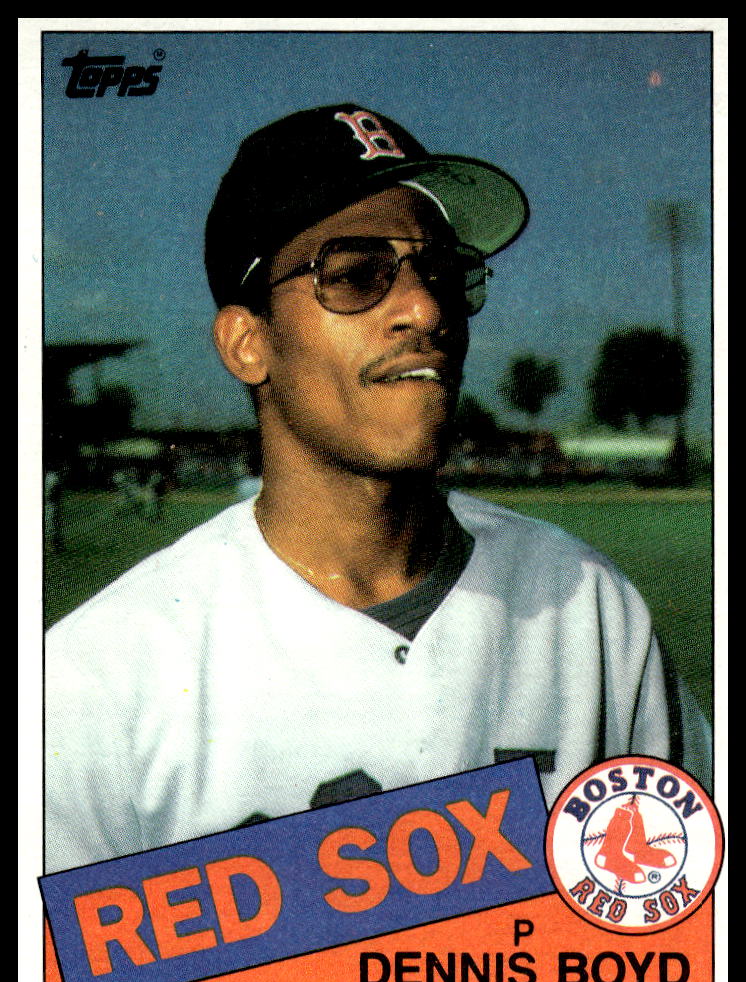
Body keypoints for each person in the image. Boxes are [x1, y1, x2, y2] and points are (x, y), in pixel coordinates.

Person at [45, 103, 711, 874]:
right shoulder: (94, 680)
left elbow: (692, 916)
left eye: (443, 271)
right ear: (247, 342)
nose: (426, 309)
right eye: (356, 275)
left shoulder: (590, 608)